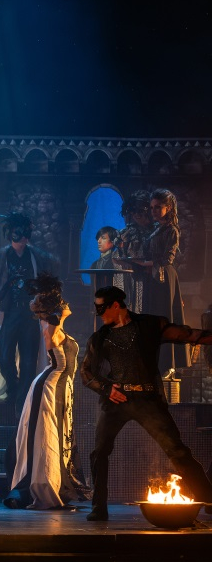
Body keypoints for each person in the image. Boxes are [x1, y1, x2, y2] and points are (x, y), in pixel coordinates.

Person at [80, 285, 212, 521]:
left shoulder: (149, 325)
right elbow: (86, 373)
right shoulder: (100, 338)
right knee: (99, 452)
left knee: (178, 451)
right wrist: (107, 389)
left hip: (147, 400)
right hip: (116, 401)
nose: (98, 314)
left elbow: (187, 335)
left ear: (116, 305)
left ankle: (210, 500)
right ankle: (98, 508)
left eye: (102, 308)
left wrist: (205, 337)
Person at [3, 273, 91, 510]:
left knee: (57, 434)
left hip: (61, 385)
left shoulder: (57, 325)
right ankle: (45, 489)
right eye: (61, 304)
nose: (66, 305)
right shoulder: (51, 328)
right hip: (51, 385)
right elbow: (51, 336)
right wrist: (53, 317)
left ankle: (58, 486)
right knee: (47, 435)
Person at [0, 211, 60, 418]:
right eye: (18, 234)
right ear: (10, 234)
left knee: (29, 359)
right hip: (9, 312)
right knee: (4, 356)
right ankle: (14, 389)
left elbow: (49, 277)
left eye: (25, 234)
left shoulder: (38, 258)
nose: (22, 238)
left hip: (30, 314)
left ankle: (23, 400)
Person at [139, 188, 190, 373]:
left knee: (164, 317)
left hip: (164, 277)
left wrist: (144, 263)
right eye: (151, 207)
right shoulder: (155, 229)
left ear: (168, 208)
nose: (153, 211)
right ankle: (155, 362)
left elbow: (167, 259)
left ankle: (168, 364)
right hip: (152, 277)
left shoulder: (171, 230)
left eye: (157, 207)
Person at [116, 190, 153, 314]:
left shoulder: (157, 231)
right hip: (132, 278)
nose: (136, 214)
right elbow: (119, 256)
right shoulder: (126, 233)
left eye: (140, 210)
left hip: (153, 277)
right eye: (132, 211)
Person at [90, 226, 124, 290]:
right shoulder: (94, 264)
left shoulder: (116, 263)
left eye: (103, 238)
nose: (99, 241)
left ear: (113, 242)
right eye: (98, 238)